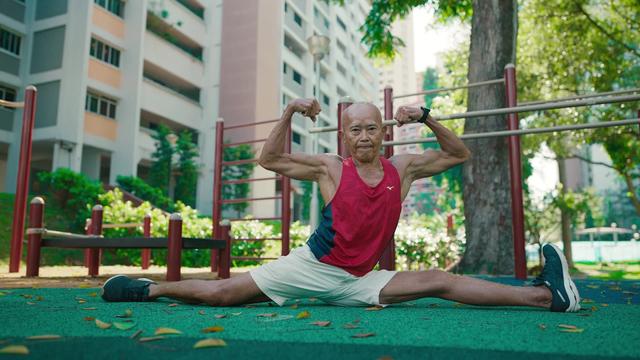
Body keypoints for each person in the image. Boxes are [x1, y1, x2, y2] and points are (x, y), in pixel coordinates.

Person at [101, 99, 580, 312]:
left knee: (442, 281)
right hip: (312, 268)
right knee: (226, 293)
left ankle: (545, 296)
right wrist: (288, 112)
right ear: (344, 137)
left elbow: (460, 154)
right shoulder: (330, 168)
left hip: (361, 280)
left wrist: (429, 116)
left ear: (383, 132)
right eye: (356, 129)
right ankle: (152, 291)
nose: (365, 135)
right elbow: (268, 159)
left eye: (372, 127)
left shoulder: (403, 168)